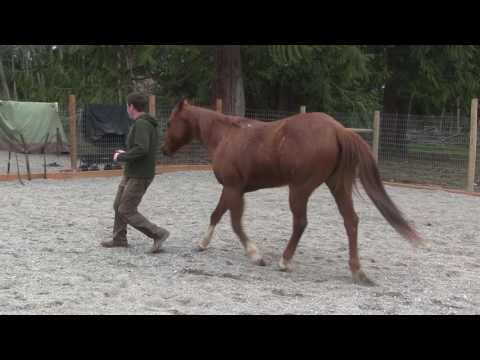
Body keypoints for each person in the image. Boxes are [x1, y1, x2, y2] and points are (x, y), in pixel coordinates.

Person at [101, 92, 169, 254]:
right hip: (132, 171)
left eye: (127, 106)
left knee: (126, 209)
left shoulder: (142, 125)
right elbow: (139, 148)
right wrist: (126, 153)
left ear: (131, 107)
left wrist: (122, 156)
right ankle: (119, 239)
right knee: (118, 205)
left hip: (140, 174)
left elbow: (142, 149)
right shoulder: (142, 124)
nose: (127, 108)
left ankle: (158, 233)